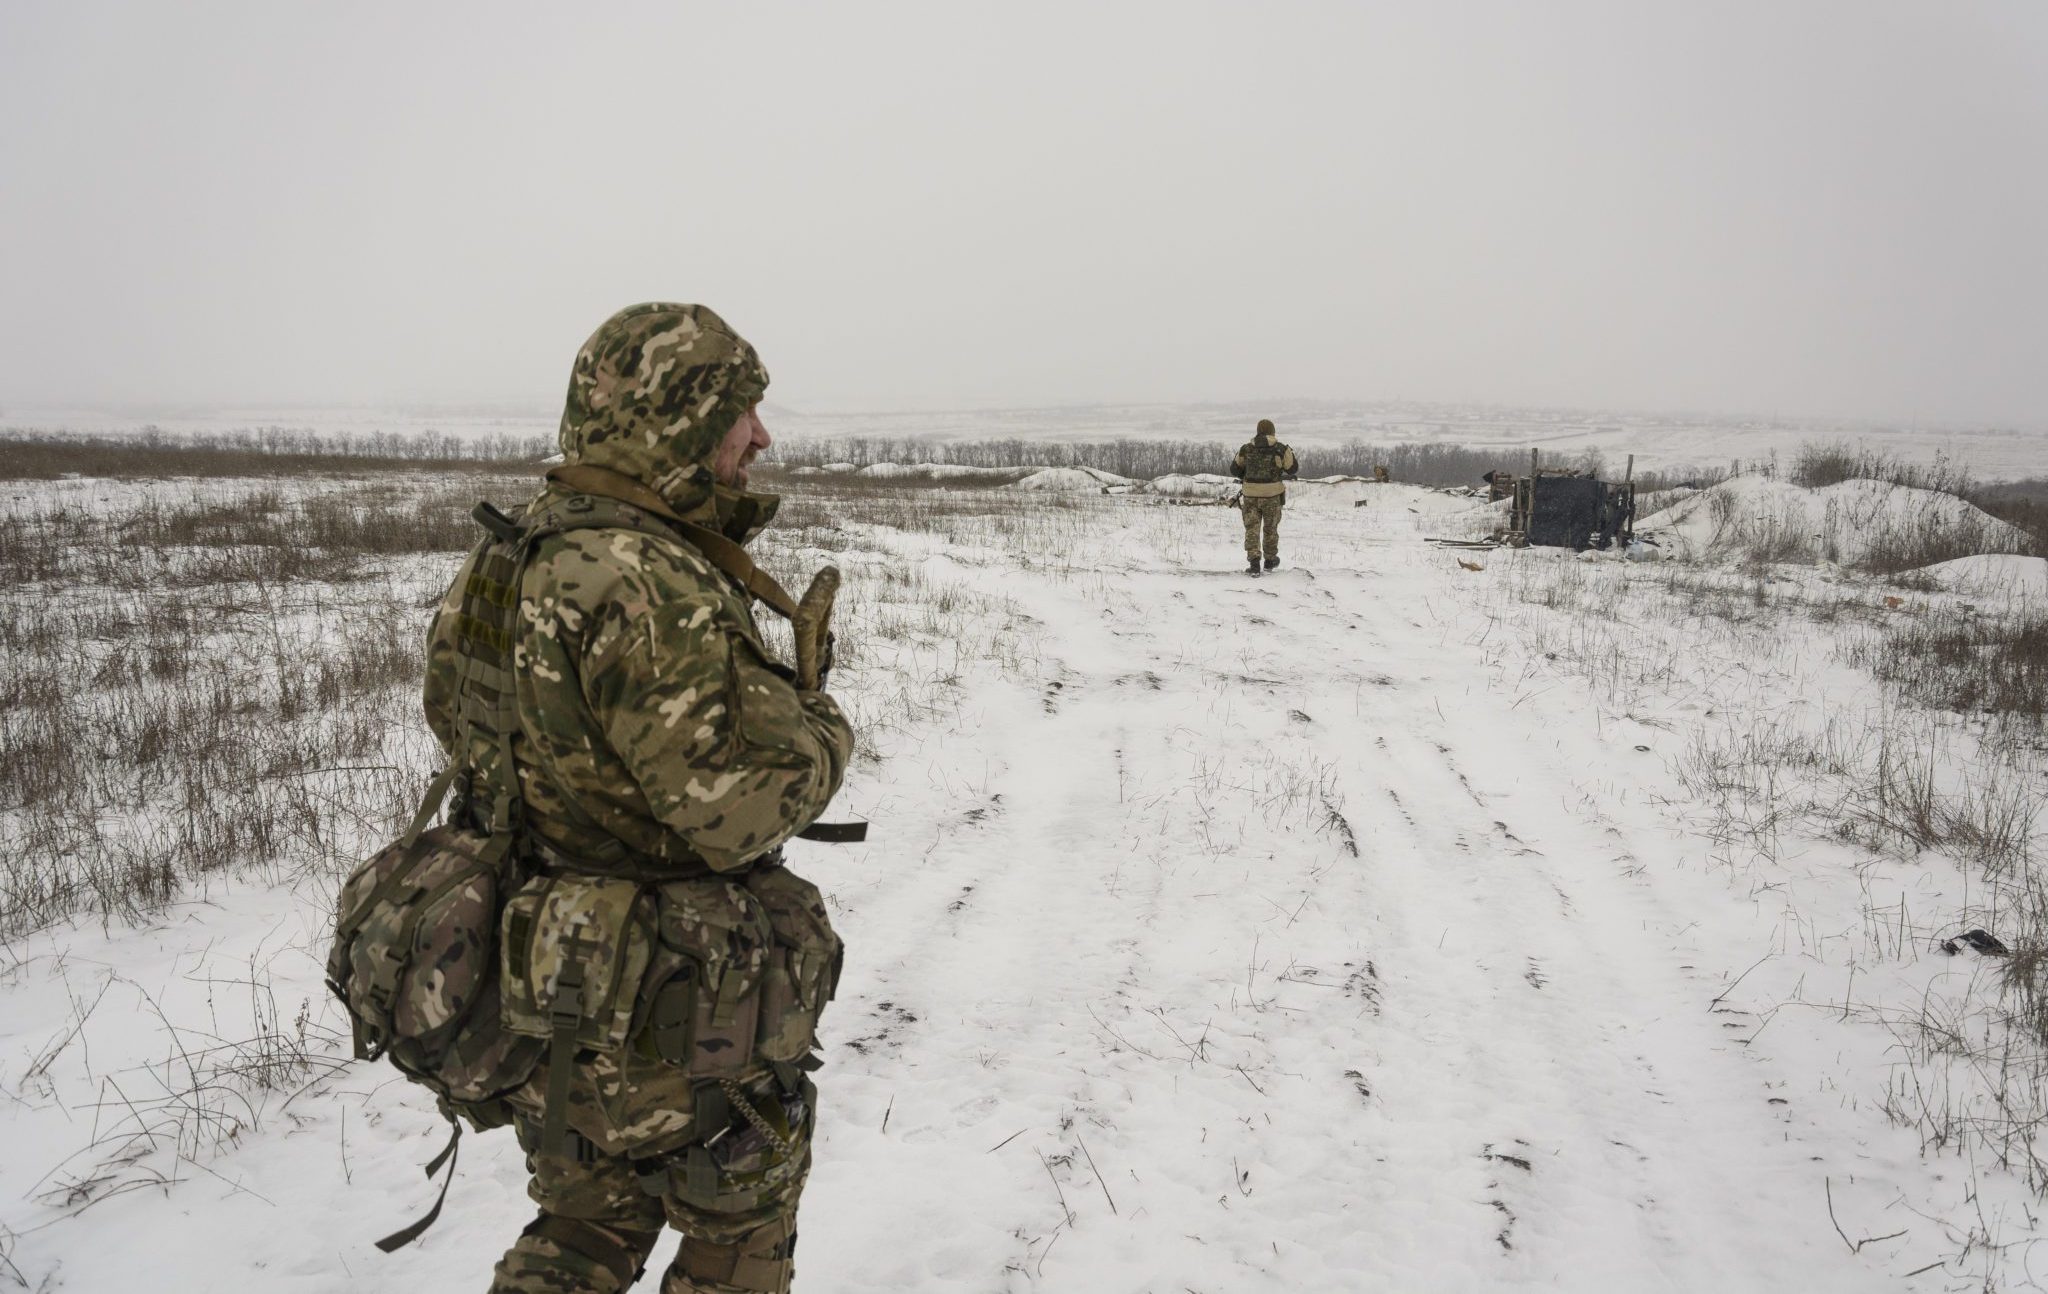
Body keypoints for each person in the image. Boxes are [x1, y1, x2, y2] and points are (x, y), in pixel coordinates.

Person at [422, 303, 855, 1294]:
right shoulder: (644, 579)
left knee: (576, 1235)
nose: (761, 436)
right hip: (690, 1012)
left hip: (559, 994)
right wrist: (822, 726)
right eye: (740, 412)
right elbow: (738, 806)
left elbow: (467, 735)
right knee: (732, 1254)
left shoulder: (510, 553)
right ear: (673, 420)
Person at [1229, 418, 1298, 573]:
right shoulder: (1281, 449)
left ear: (1258, 431)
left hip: (1250, 495)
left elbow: (1234, 469)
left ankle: (1254, 562)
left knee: (1252, 527)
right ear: (1273, 431)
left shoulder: (1246, 449)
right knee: (1270, 528)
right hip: (1272, 495)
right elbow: (1293, 468)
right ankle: (1270, 560)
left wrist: (1246, 475)